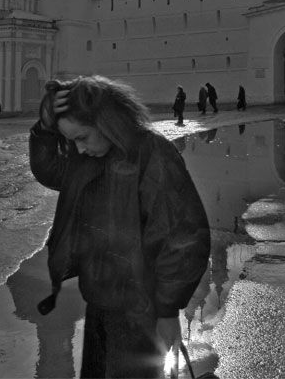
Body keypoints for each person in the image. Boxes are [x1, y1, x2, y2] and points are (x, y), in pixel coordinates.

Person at [29, 76, 210, 378]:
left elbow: (183, 236)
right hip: (99, 302)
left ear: (107, 122)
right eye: (72, 140)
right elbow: (50, 170)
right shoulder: (89, 158)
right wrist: (44, 131)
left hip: (139, 312)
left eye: (82, 137)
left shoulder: (151, 154)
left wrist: (167, 310)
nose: (79, 148)